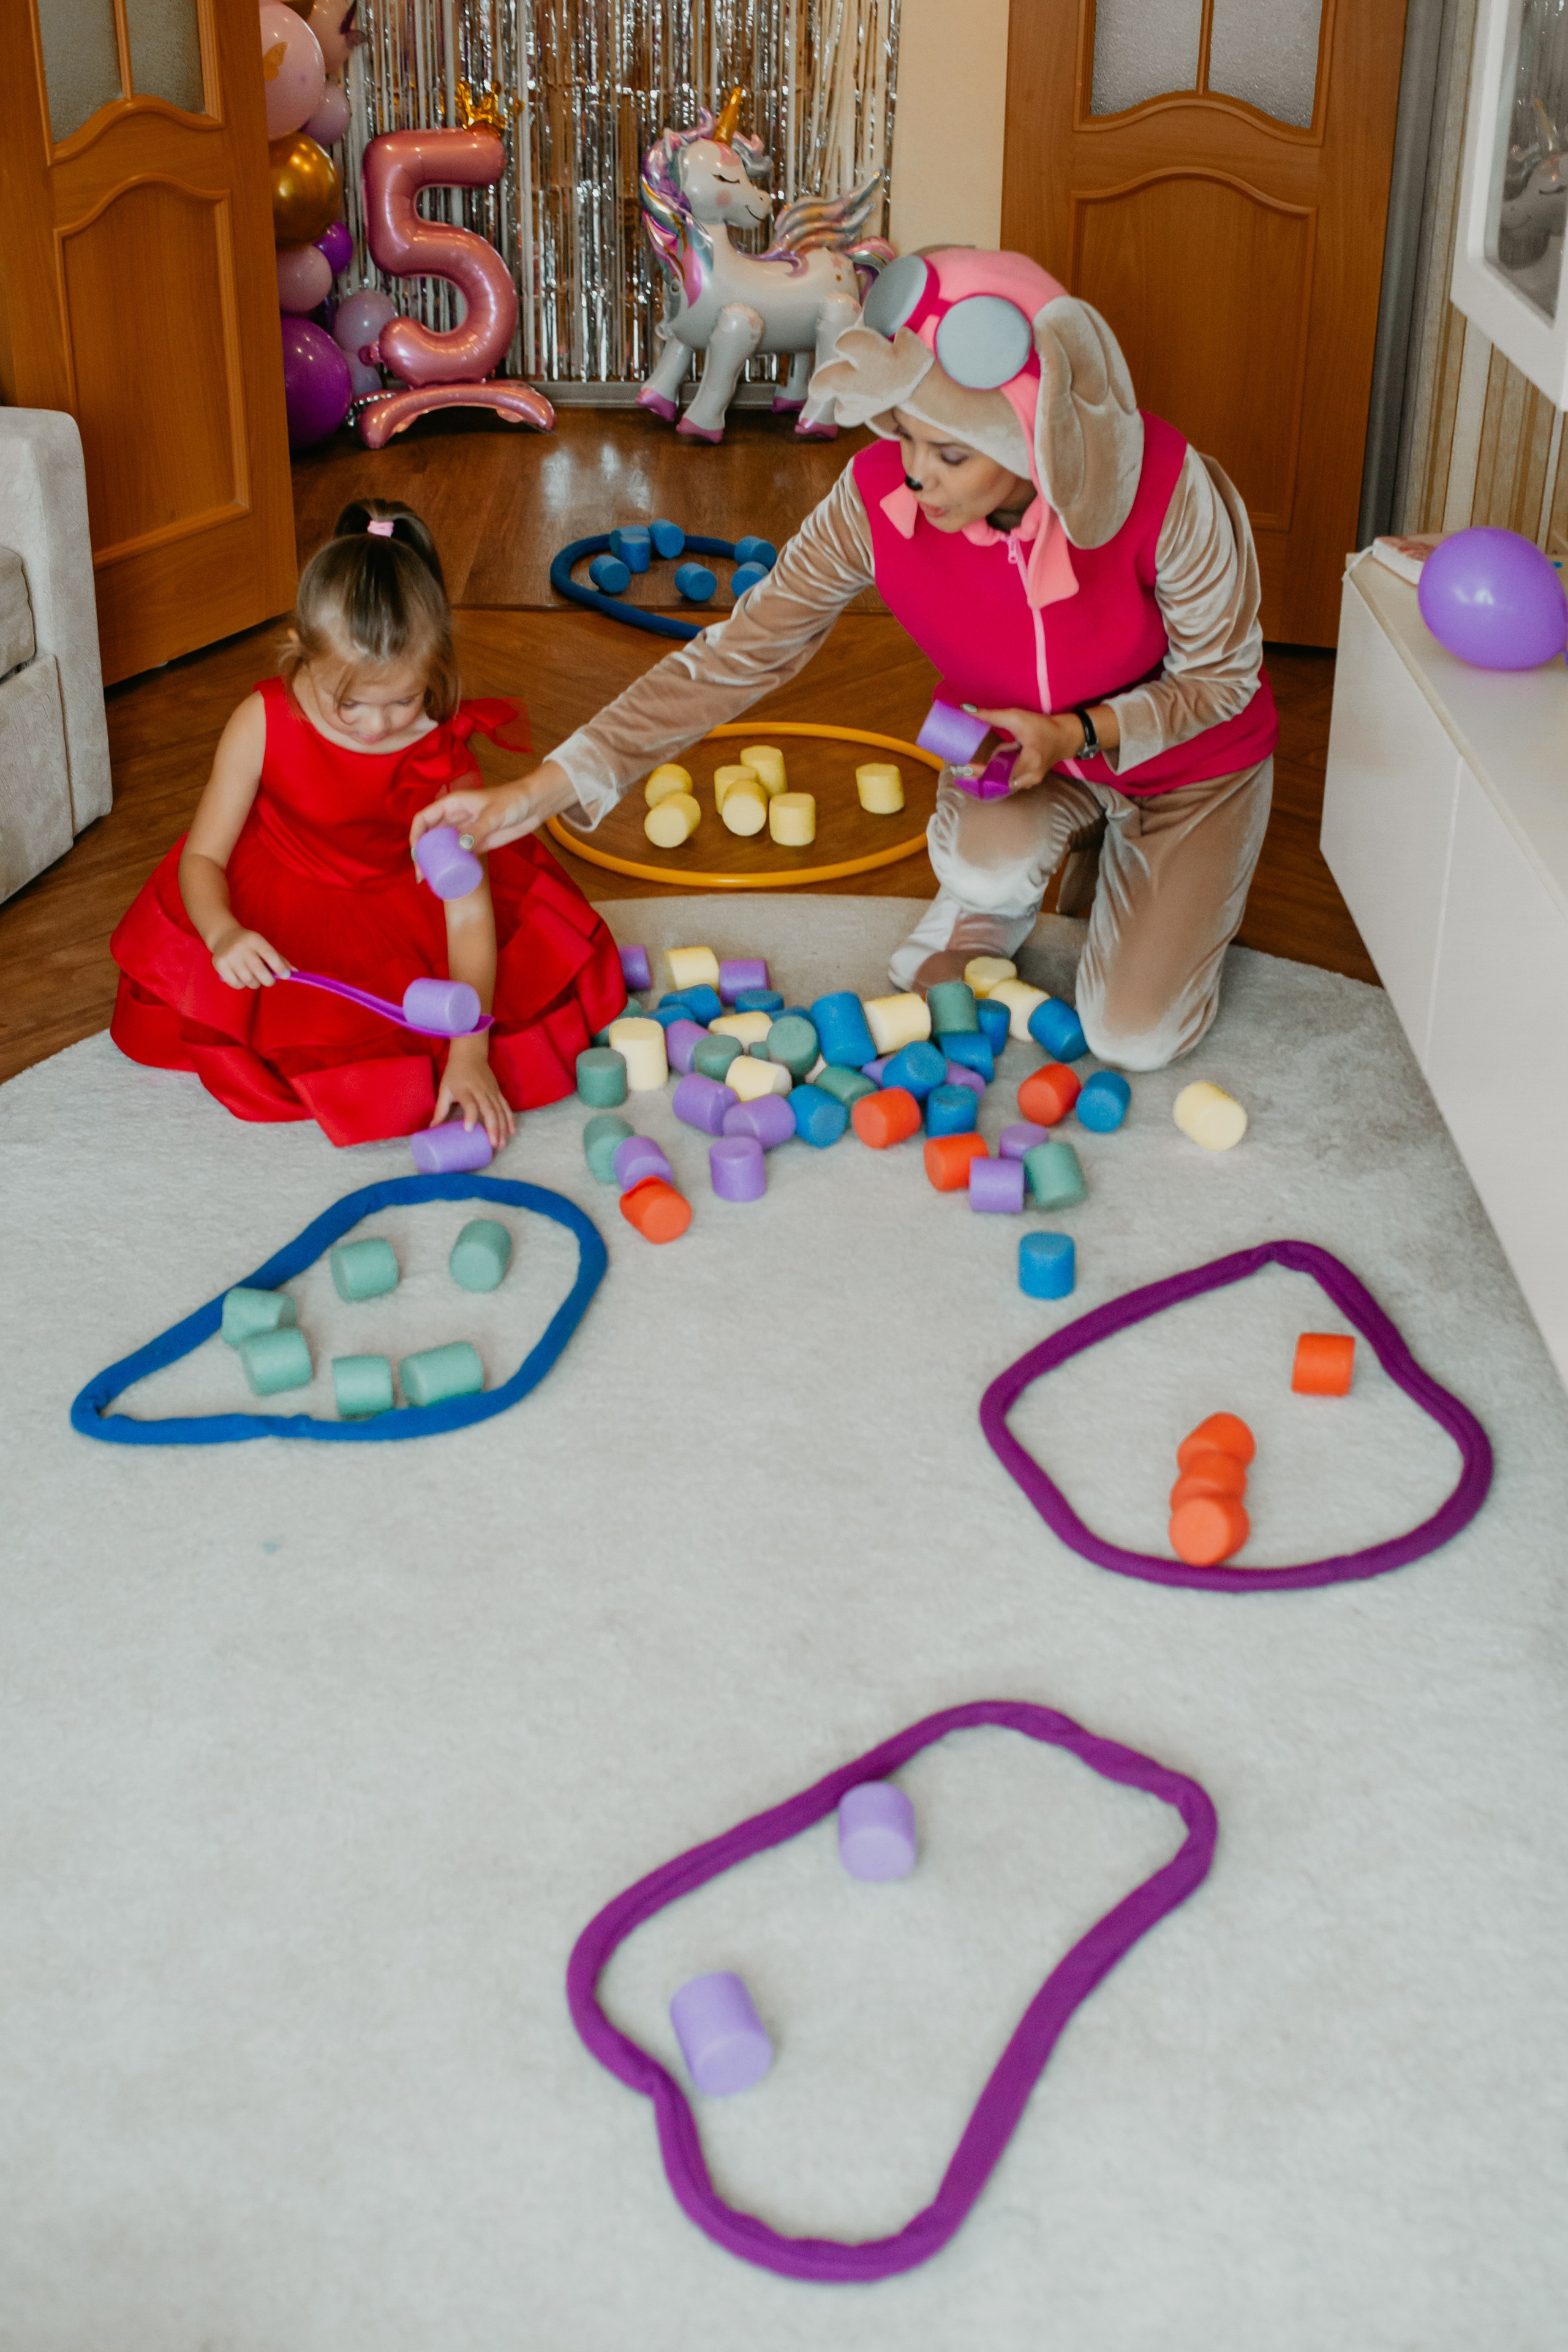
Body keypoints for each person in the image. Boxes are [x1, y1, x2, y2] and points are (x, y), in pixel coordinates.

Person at [414, 249, 1279, 1071]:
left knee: (1135, 1039)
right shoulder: (876, 500)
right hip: (1011, 755)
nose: (916, 476)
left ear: (1034, 441)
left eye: (950, 453)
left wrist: (1079, 732)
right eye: (903, 433)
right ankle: (986, 902)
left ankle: (1140, 866)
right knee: (982, 864)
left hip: (1188, 768)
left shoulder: (1167, 486)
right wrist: (544, 788)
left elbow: (1222, 680)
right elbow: (735, 657)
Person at [110, 499, 624, 1147]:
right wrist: (222, 933)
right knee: (278, 1042)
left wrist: (469, 1053)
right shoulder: (261, 721)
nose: (378, 725)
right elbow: (202, 859)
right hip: (282, 891)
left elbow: (467, 914)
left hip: (401, 904)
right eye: (349, 702)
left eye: (404, 700)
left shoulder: (441, 757)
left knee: (504, 1033)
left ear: (434, 667)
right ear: (299, 654)